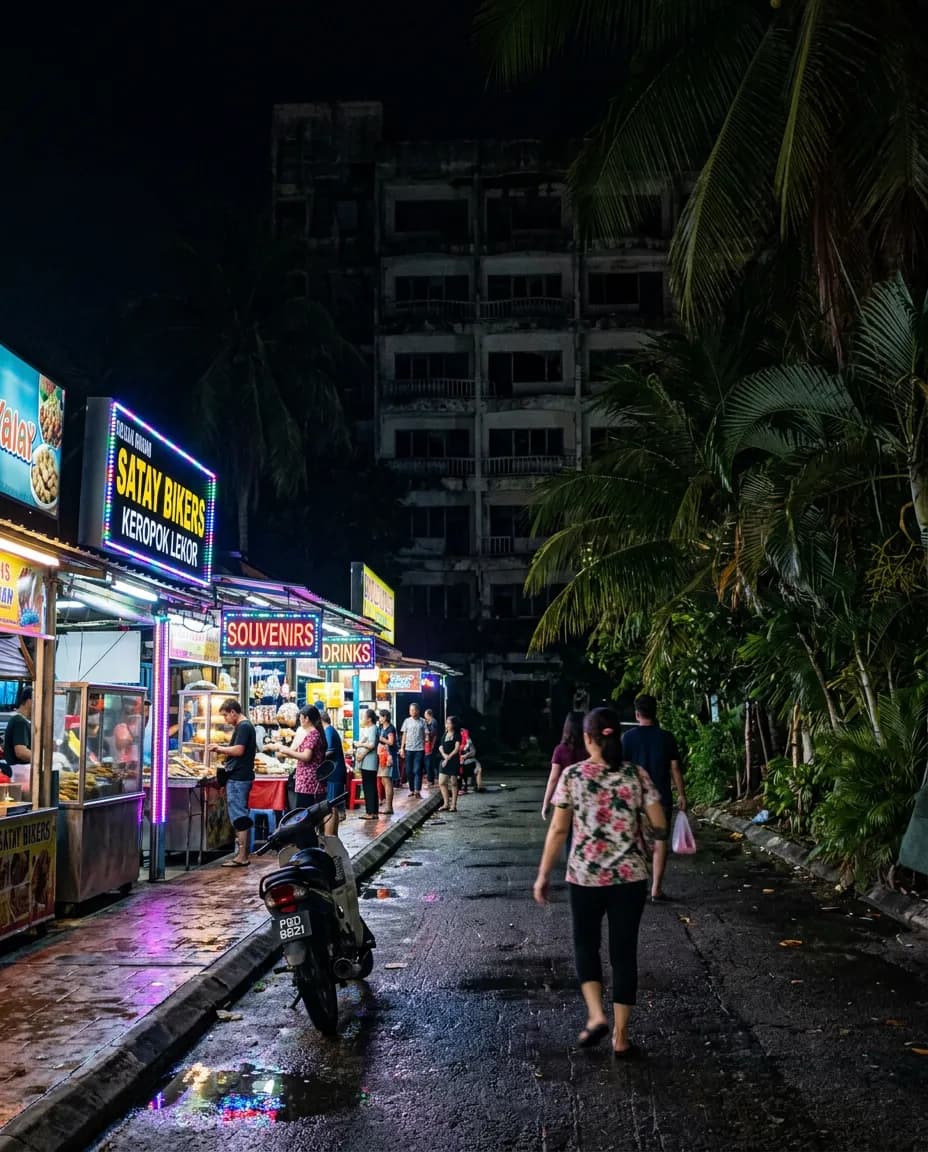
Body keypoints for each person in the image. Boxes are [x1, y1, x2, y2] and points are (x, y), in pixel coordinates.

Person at [534, 706, 668, 1056]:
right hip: (630, 878)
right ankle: (621, 1038)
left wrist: (544, 874)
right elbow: (659, 825)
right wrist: (643, 830)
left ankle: (596, 1016)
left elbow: (559, 829)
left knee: (585, 945)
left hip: (585, 876)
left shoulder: (574, 776)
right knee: (624, 954)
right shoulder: (636, 776)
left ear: (588, 738)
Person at [621, 694, 687, 903]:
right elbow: (675, 768)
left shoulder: (628, 738)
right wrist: (682, 794)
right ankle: (656, 890)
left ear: (637, 714)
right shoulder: (666, 737)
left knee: (635, 843)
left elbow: (621, 770)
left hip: (635, 799)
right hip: (661, 799)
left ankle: (635, 889)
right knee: (659, 843)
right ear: (655, 713)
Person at [209, 700, 257, 868]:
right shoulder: (244, 726)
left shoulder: (244, 727)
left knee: (239, 816)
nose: (225, 719)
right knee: (240, 814)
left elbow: (239, 750)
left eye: (225, 715)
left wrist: (219, 749)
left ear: (233, 712)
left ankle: (242, 856)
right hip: (240, 776)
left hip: (239, 778)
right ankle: (242, 853)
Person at [270, 705, 326, 807]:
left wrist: (285, 749)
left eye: (300, 718)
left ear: (306, 719)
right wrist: (286, 753)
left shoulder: (313, 734)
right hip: (306, 781)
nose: (299, 721)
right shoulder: (312, 733)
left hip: (308, 781)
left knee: (305, 813)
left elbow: (306, 756)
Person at [542, 711, 586, 820]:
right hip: (585, 797)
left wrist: (546, 803)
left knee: (564, 831)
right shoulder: (590, 749)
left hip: (565, 798)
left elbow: (553, 779)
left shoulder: (560, 749)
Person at [321, 711, 346, 836]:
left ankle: (329, 836)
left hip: (334, 773)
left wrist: (317, 757)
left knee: (330, 806)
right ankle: (333, 836)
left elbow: (329, 751)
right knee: (333, 805)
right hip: (335, 772)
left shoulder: (329, 731)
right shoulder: (330, 731)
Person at [355, 709, 380, 820]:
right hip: (367, 762)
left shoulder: (373, 728)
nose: (362, 719)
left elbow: (371, 745)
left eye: (364, 717)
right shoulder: (368, 729)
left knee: (369, 787)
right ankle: (373, 811)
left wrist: (361, 753)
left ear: (369, 719)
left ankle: (370, 812)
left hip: (369, 762)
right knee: (370, 786)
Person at [400, 703, 427, 798]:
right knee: (408, 771)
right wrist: (402, 748)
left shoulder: (423, 721)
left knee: (417, 770)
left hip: (419, 749)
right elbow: (404, 734)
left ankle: (417, 790)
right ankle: (411, 789)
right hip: (408, 749)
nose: (411, 712)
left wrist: (425, 744)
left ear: (418, 711)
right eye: (410, 710)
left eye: (413, 710)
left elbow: (426, 734)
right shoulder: (407, 721)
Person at [3, 687, 33, 769]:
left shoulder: (23, 721)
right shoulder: (19, 721)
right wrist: (43, 759)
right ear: (29, 702)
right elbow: (21, 752)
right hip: (19, 772)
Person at [438, 715, 461, 812]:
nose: (447, 725)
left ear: (453, 725)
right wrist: (444, 756)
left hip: (453, 761)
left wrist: (448, 758)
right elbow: (440, 747)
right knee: (442, 782)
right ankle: (446, 803)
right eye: (446, 723)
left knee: (454, 783)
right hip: (445, 759)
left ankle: (453, 805)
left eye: (449, 723)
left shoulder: (457, 735)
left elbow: (456, 749)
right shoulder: (445, 734)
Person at [377, 710, 398, 815]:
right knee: (384, 781)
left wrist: (381, 739)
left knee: (387, 781)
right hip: (383, 756)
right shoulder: (382, 728)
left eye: (380, 717)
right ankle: (387, 805)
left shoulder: (390, 728)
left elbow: (391, 742)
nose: (379, 719)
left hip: (389, 756)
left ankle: (389, 807)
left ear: (385, 717)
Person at [423, 708, 439, 787]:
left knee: (430, 762)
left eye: (425, 714)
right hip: (428, 744)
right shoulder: (428, 722)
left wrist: (432, 745)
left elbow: (434, 734)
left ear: (429, 715)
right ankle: (431, 779)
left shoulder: (433, 722)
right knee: (428, 762)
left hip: (431, 744)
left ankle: (431, 779)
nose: (424, 716)